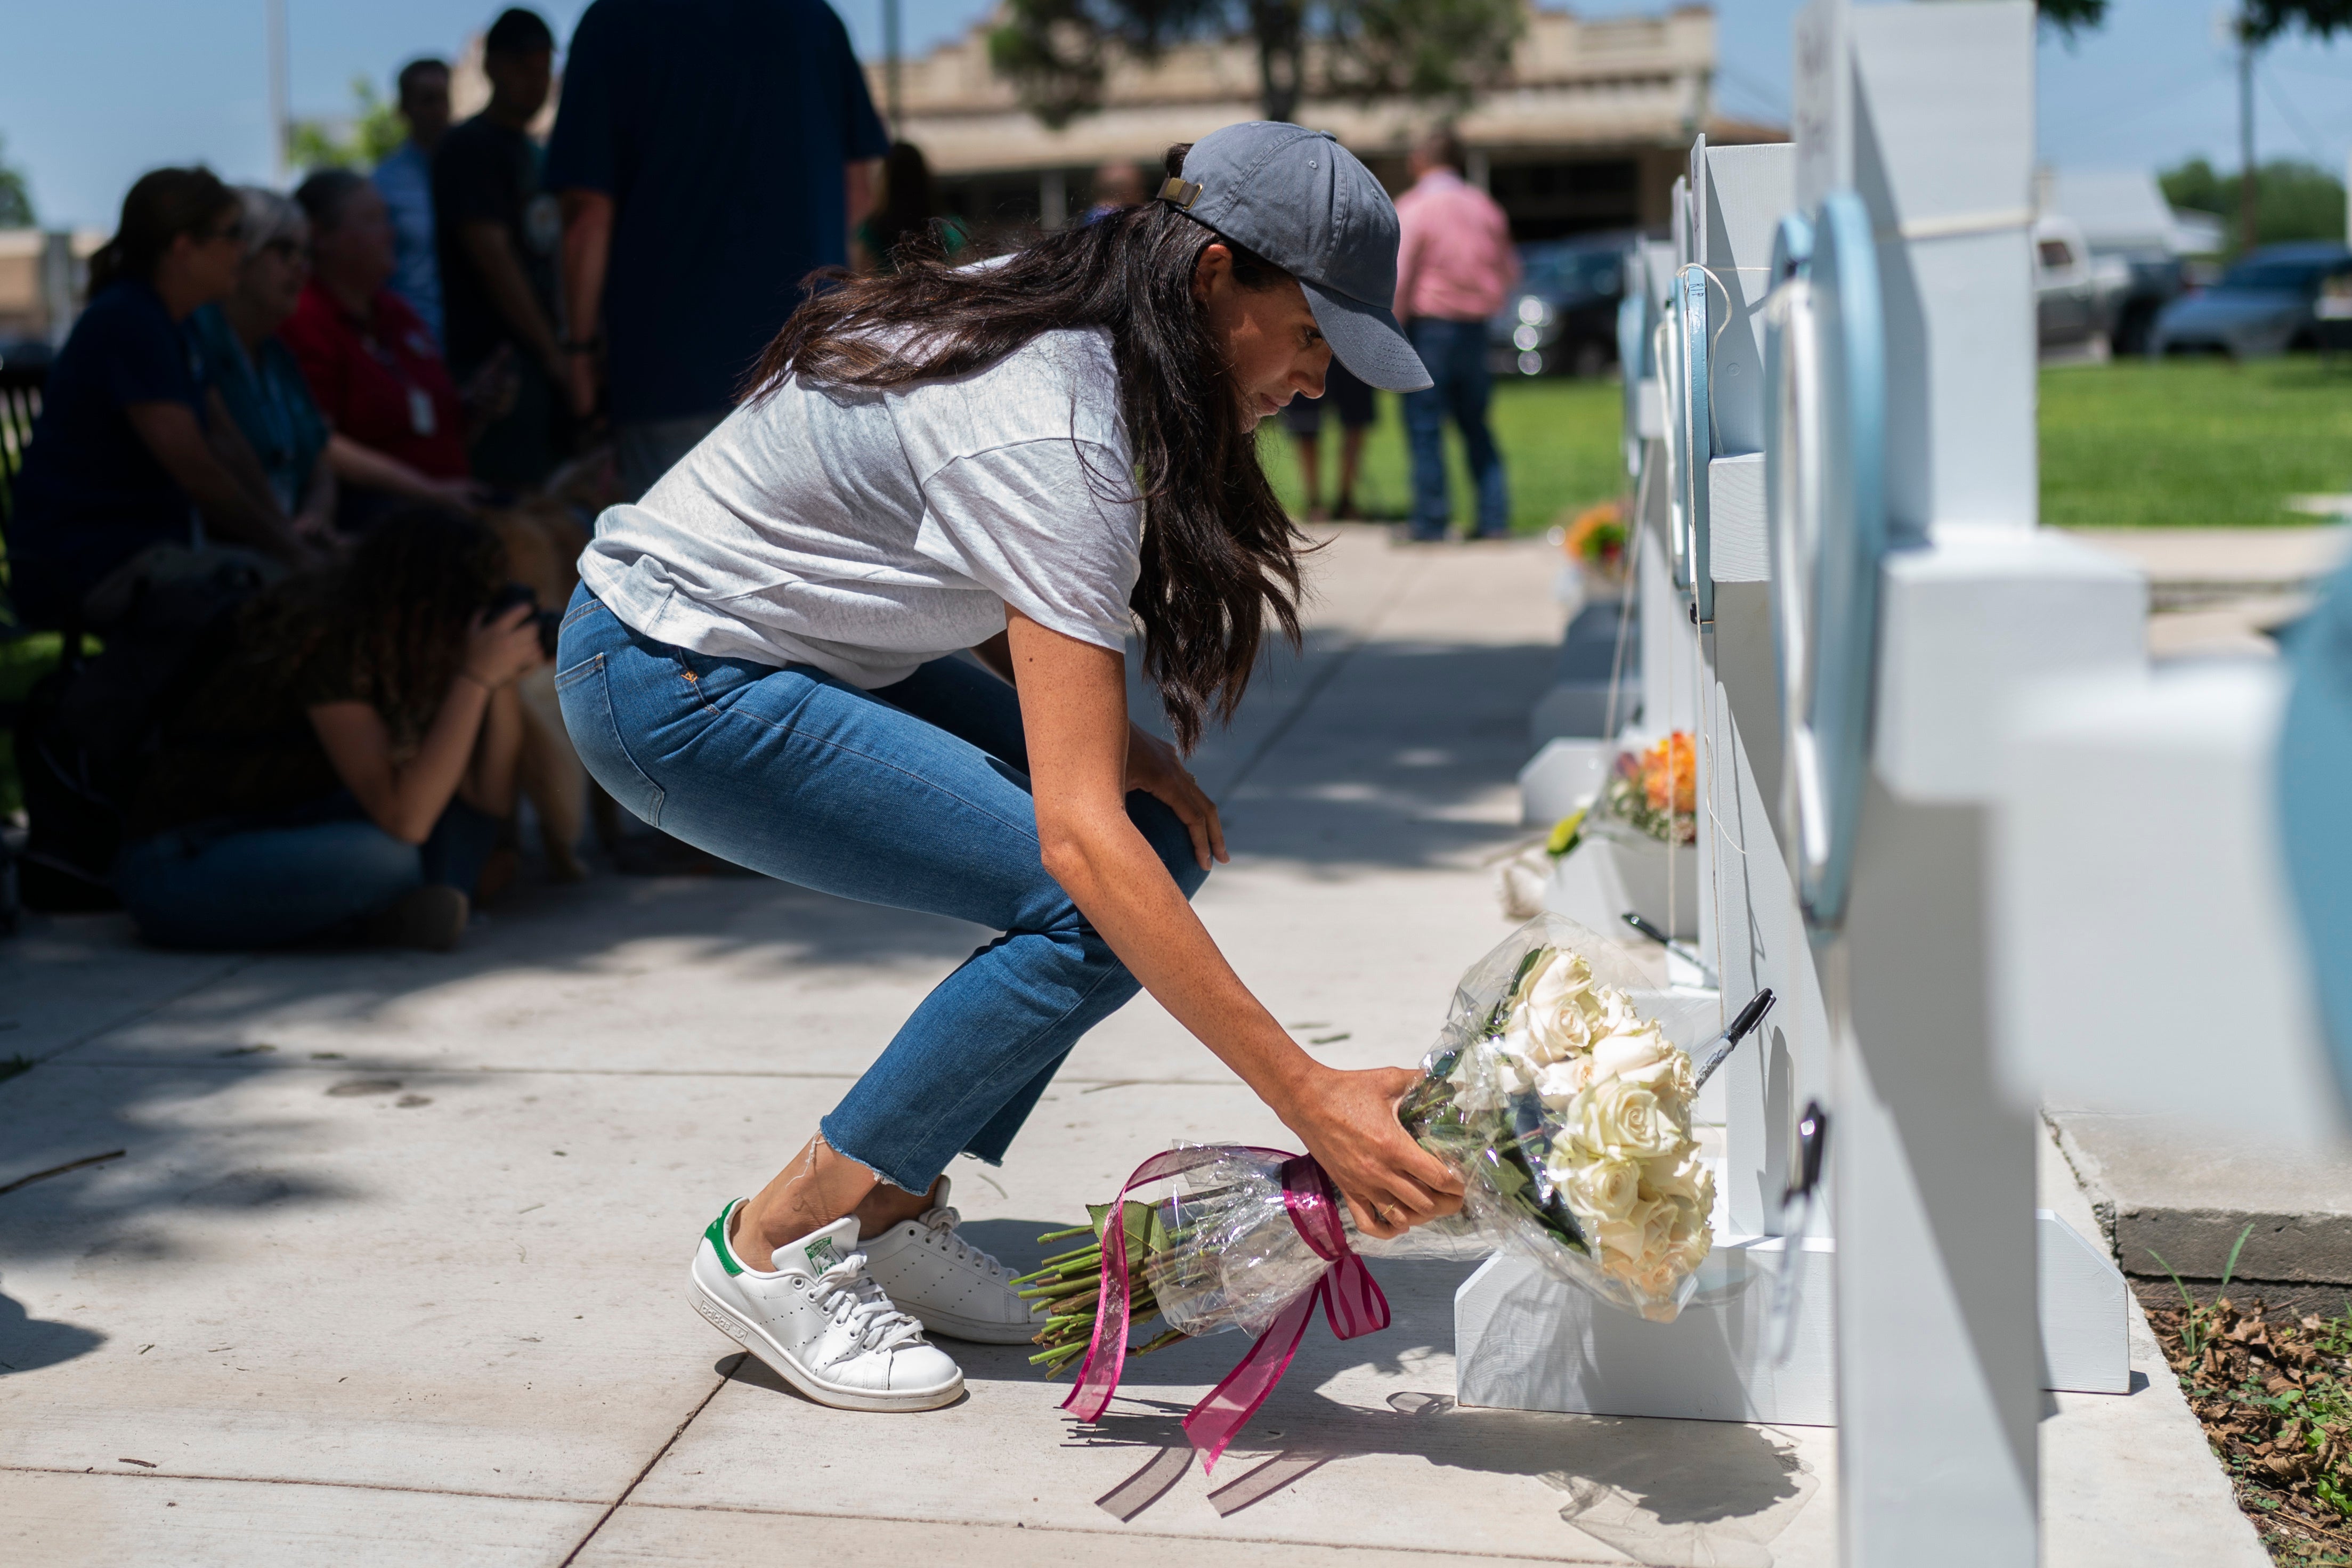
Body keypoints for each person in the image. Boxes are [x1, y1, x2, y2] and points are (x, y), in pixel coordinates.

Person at [556, 123, 1454, 1414]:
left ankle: (892, 1200)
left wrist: (1102, 732)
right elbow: (1077, 845)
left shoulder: (1082, 318)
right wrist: (1306, 1093)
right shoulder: (1061, 427)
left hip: (769, 639)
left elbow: (929, 531)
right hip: (669, 675)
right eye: (1313, 335)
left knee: (1133, 823)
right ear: (1215, 277)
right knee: (1098, 887)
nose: (1318, 381)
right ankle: (773, 1242)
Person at [113, 507, 545, 952]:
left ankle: (389, 909)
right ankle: (383, 913)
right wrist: (474, 679)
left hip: (291, 824)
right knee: (385, 859)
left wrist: (500, 681)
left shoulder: (406, 650)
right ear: (427, 604)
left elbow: (488, 800)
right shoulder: (326, 640)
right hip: (181, 863)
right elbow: (406, 820)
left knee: (453, 810)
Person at [546, 0, 888, 500]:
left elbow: (586, 219)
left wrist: (578, 355)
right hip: (814, 374)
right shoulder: (816, 20)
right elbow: (858, 195)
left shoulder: (613, 22)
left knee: (679, 571)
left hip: (669, 379)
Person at [9, 167, 312, 630]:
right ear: (183, 248)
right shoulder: (130, 321)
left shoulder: (175, 323)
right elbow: (197, 470)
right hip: (89, 564)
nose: (242, 250)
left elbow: (228, 445)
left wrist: (288, 537)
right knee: (289, 596)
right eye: (233, 235)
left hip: (139, 552)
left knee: (298, 578)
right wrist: (289, 551)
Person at [282, 169, 481, 529]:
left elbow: (437, 425)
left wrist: (475, 405)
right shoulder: (306, 319)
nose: (392, 233)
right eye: (373, 221)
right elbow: (319, 440)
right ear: (321, 236)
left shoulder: (397, 313)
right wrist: (430, 491)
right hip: (384, 526)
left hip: (450, 506)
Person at [435, 7, 567, 488]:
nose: (535, 83)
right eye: (522, 68)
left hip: (545, 363)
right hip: (494, 368)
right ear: (491, 67)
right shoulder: (468, 147)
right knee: (510, 512)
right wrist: (555, 354)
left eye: (543, 69)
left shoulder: (537, 152)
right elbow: (494, 261)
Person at [1392, 127, 1519, 541]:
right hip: (1476, 330)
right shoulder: (1485, 207)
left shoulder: (1415, 207)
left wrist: (1390, 325)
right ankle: (1494, 517)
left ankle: (1431, 520)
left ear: (1421, 160)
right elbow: (1510, 270)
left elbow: (1401, 272)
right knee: (1476, 424)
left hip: (1430, 328)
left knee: (1424, 425)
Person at [187, 186, 335, 541]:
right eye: (285, 251)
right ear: (241, 252)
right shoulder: (195, 339)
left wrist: (315, 517)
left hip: (287, 544)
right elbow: (206, 475)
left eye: (306, 254)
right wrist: (286, 542)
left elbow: (321, 465)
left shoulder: (278, 354)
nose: (302, 268)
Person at [373, 57, 454, 344]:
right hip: (414, 341)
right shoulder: (383, 185)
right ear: (404, 109)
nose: (440, 110)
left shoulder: (475, 173)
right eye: (428, 100)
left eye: (445, 99)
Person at [1278, 358, 1375, 521]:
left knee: (1356, 423)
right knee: (1306, 426)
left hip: (1353, 348)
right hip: (1312, 340)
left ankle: (1345, 501)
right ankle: (1314, 502)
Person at [856, 142, 966, 274]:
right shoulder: (952, 229)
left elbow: (863, 280)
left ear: (886, 181)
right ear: (925, 178)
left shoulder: (870, 232)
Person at [1084, 159, 1147, 223]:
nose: (1144, 193)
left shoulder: (1081, 221)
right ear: (1128, 192)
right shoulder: (1128, 223)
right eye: (1140, 187)